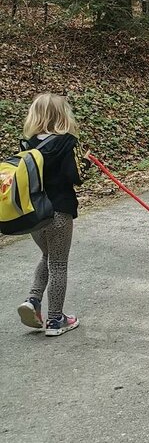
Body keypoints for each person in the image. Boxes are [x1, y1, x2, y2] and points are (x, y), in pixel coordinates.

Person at [15, 93, 89, 337]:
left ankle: (33, 301)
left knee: (47, 255)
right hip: (58, 211)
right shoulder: (66, 143)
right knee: (58, 263)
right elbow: (74, 177)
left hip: (34, 214)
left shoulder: (28, 145)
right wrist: (85, 164)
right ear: (62, 115)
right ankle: (56, 320)